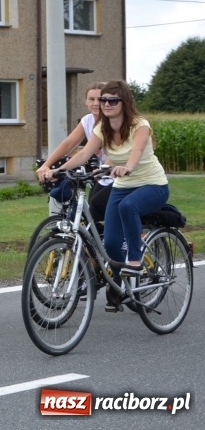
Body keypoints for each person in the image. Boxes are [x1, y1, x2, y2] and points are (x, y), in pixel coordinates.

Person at [44, 80, 168, 311]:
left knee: (127, 207)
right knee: (110, 243)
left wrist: (128, 167)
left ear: (124, 102)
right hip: (122, 186)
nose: (106, 104)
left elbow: (138, 151)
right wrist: (59, 171)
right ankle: (119, 287)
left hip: (152, 185)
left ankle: (135, 261)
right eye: (103, 100)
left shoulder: (140, 125)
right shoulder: (102, 128)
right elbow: (83, 153)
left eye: (112, 100)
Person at [36, 81, 111, 224]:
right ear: (85, 102)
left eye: (100, 99)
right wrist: (46, 165)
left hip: (115, 172)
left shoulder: (111, 122)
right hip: (101, 175)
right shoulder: (87, 120)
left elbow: (115, 153)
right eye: (91, 99)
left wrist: (102, 170)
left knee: (100, 208)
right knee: (94, 218)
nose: (95, 103)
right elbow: (68, 144)